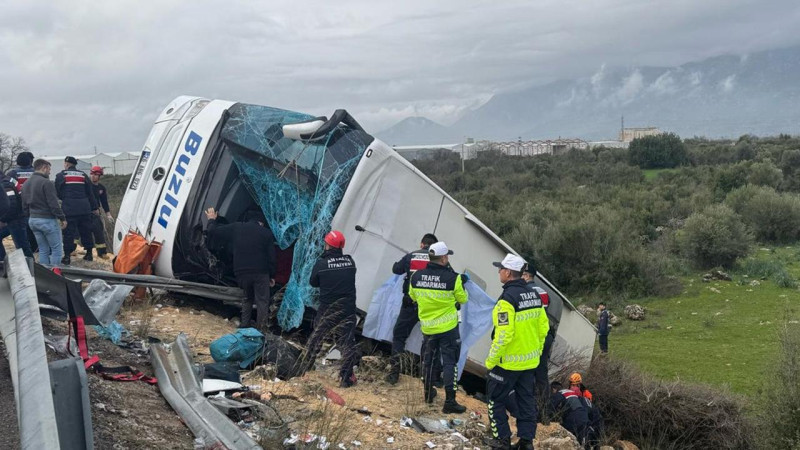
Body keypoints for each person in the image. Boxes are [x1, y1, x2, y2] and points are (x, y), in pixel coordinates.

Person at [484, 254, 549, 450]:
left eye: (500, 269)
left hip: (507, 363)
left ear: (507, 273)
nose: (498, 272)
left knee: (495, 399)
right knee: (526, 401)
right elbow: (544, 328)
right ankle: (527, 442)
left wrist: (490, 361)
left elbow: (503, 335)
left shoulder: (507, 299)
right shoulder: (534, 296)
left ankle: (502, 440)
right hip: (529, 363)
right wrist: (536, 353)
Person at [409, 241, 467, 413]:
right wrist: (461, 283)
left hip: (428, 328)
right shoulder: (454, 279)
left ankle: (428, 394)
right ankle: (450, 402)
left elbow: (413, 296)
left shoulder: (416, 277)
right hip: (448, 328)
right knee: (450, 363)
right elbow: (463, 299)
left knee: (428, 361)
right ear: (443, 258)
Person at [303, 230, 361, 388]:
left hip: (327, 308)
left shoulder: (321, 264)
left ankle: (305, 367)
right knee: (347, 342)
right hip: (347, 308)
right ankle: (346, 378)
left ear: (328, 245)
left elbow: (313, 282)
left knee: (317, 338)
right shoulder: (350, 262)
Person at [205, 207, 276, 330]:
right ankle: (261, 330)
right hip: (260, 273)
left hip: (241, 273)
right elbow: (271, 258)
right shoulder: (266, 233)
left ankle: (244, 326)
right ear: (261, 222)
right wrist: (272, 275)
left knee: (247, 299)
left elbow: (213, 231)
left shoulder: (237, 228)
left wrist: (212, 220)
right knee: (262, 301)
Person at [385, 232, 442, 386]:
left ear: (422, 244)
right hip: (430, 307)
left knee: (399, 336)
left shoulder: (412, 256)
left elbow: (396, 269)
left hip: (410, 304)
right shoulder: (439, 259)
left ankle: (394, 374)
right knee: (431, 340)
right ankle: (431, 379)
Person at [521, 261, 557, 424]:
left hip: (533, 336)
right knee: (541, 375)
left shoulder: (525, 290)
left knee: (526, 372)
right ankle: (544, 413)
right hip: (545, 335)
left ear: (526, 275)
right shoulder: (543, 292)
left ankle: (527, 411)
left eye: (521, 275)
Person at [21, 159, 66, 265]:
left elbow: (24, 205)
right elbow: (53, 204)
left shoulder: (26, 183)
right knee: (56, 250)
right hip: (47, 220)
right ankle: (55, 273)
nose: (49, 172)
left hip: (33, 220)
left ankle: (44, 272)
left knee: (43, 249)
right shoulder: (46, 183)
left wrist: (30, 216)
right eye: (49, 169)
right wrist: (62, 218)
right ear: (44, 168)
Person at [55, 156, 98, 264]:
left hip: (69, 209)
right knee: (86, 231)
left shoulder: (61, 175)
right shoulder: (83, 175)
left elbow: (58, 192)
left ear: (66, 164)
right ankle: (89, 254)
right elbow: (90, 193)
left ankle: (67, 256)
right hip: (84, 208)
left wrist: (66, 198)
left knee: (68, 233)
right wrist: (94, 207)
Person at [6, 151, 38, 252]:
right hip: (36, 203)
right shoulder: (35, 172)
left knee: (24, 228)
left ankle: (28, 247)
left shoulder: (12, 173)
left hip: (20, 205)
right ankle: (36, 246)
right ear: (30, 161)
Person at [0, 174, 34, 259]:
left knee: (22, 247)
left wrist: (2, 220)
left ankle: (29, 264)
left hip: (15, 219)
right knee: (23, 246)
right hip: (16, 218)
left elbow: (11, 206)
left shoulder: (5, 184)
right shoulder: (9, 180)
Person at [551, 381, 589, 447]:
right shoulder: (571, 392)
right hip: (584, 416)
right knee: (581, 442)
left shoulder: (559, 393)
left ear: (554, 389)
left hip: (573, 418)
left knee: (567, 438)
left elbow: (551, 407)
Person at [88, 166, 112, 259]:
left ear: (99, 176)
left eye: (95, 174)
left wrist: (108, 214)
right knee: (85, 232)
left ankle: (102, 252)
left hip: (96, 213)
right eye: (92, 174)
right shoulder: (86, 186)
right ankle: (87, 252)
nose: (93, 176)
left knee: (99, 232)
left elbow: (104, 202)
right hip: (85, 212)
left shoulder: (101, 188)